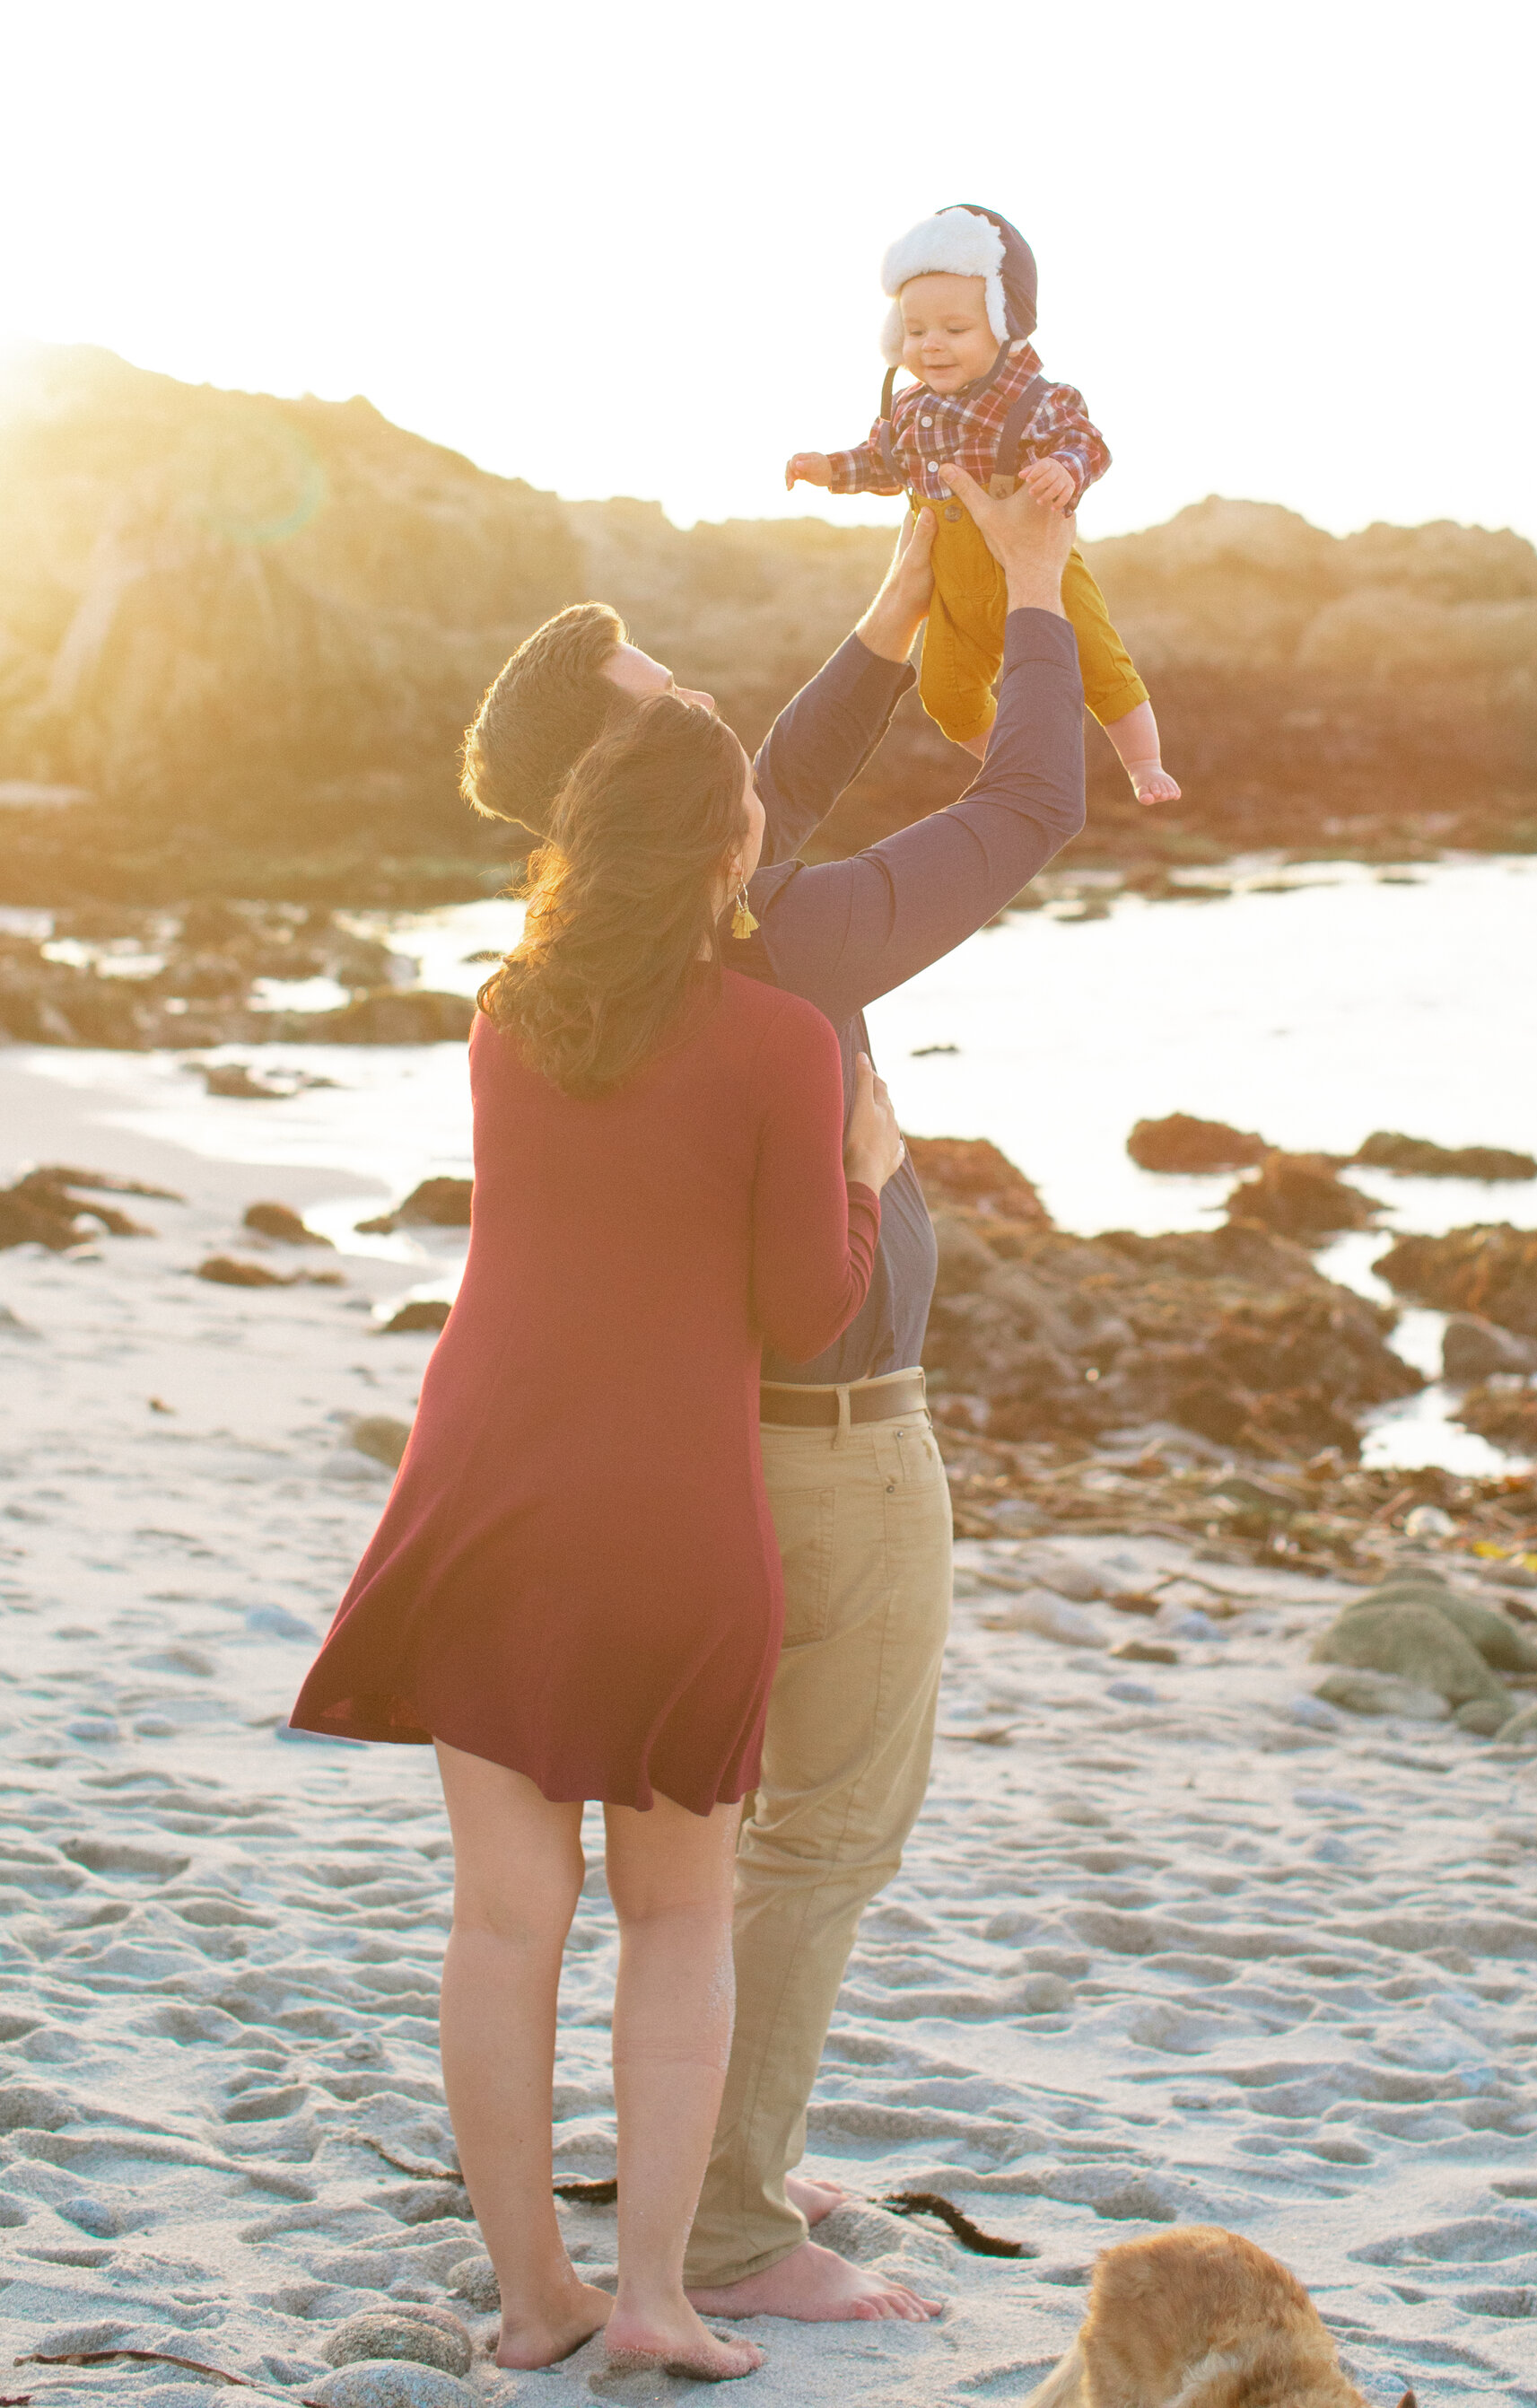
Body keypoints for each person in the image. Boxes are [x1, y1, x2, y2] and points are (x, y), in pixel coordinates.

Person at [458, 468, 1088, 2326]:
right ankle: (728, 2213)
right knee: (822, 1832)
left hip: (664, 1450)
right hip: (826, 1451)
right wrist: (1033, 591)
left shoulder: (605, 950)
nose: (704, 699)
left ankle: (704, 2155)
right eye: (668, 689)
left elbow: (773, 786)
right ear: (647, 777)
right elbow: (1029, 803)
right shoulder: (790, 949)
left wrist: (901, 607)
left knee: (685, 1860)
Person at [289, 692, 909, 2378]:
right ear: (726, 849)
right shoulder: (789, 1042)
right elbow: (801, 1313)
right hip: (666, 1517)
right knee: (679, 1915)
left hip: (481, 1491)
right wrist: (861, 1168)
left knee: (503, 1915)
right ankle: (649, 2298)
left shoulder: (508, 1016)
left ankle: (529, 2304)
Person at [786, 202, 1182, 805]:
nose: (933, 346)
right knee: (944, 694)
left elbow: (1088, 444)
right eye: (916, 332)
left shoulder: (1036, 398)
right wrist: (826, 469)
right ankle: (1009, 762)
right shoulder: (909, 408)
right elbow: (883, 463)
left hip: (1034, 569)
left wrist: (1061, 469)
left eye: (955, 329)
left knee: (1100, 664)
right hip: (953, 585)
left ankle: (1143, 762)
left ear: (1003, 323)